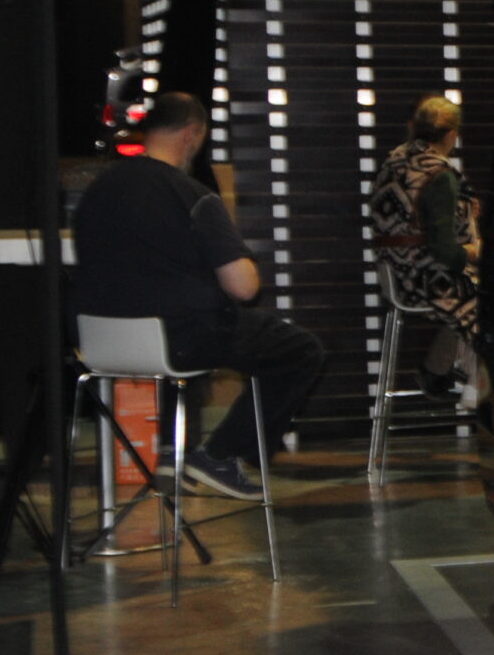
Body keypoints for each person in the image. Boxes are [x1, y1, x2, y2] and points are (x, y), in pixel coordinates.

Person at [71, 91, 325, 499]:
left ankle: (173, 452)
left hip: (101, 343)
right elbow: (244, 287)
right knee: (298, 349)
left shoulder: (97, 191)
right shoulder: (190, 194)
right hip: (178, 338)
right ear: (192, 133)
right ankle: (222, 456)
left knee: (188, 325)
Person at [368, 95, 481, 400]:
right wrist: (473, 252)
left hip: (395, 271)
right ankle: (479, 389)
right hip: (423, 278)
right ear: (451, 135)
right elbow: (446, 251)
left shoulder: (396, 160)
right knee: (492, 300)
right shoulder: (439, 175)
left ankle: (438, 371)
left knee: (477, 295)